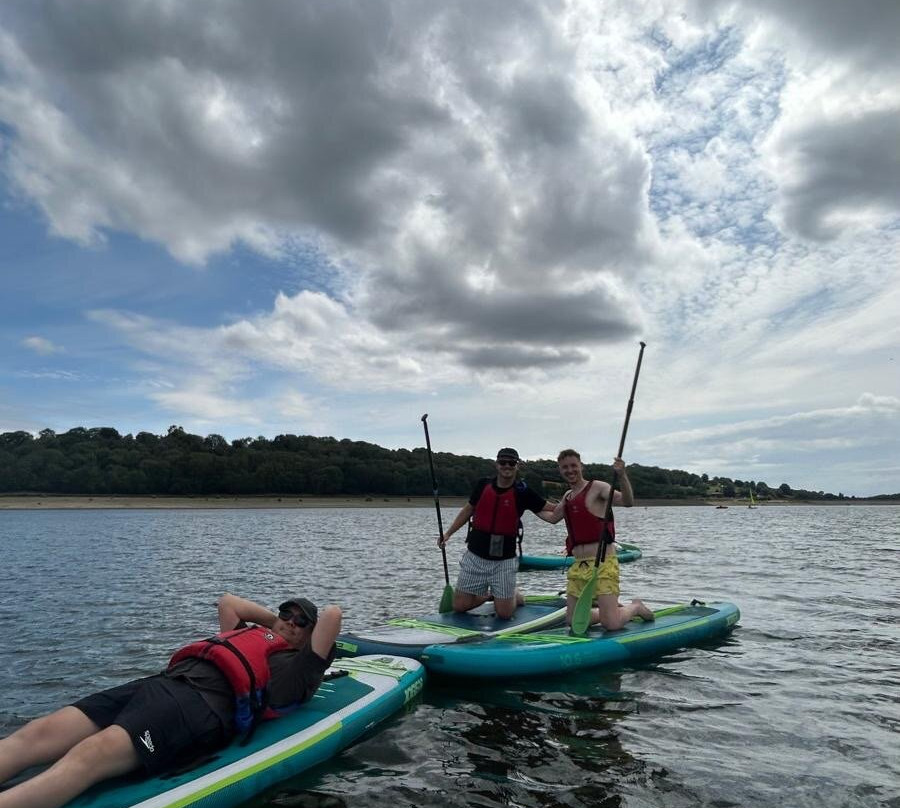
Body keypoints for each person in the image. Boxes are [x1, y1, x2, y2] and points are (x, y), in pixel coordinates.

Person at [0, 593, 341, 808]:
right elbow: (228, 601)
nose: (291, 623)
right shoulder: (254, 634)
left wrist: (289, 634)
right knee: (37, 732)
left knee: (93, 753)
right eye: (287, 614)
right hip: (158, 685)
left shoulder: (301, 668)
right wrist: (271, 627)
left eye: (301, 622)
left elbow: (332, 614)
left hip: (199, 707)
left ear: (311, 637)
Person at [438, 447, 556, 619]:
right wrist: (448, 534)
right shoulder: (483, 485)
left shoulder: (523, 492)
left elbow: (550, 510)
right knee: (459, 606)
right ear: (496, 464)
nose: (507, 466)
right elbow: (467, 510)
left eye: (511, 463)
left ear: (517, 466)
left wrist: (573, 505)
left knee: (504, 614)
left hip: (504, 560)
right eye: (503, 462)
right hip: (475, 556)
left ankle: (514, 595)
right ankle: (490, 595)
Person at [548, 449, 654, 629]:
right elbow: (551, 517)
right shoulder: (567, 496)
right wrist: (525, 503)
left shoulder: (597, 487)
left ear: (581, 466)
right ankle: (607, 612)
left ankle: (635, 606)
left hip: (603, 563)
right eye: (565, 467)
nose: (570, 470)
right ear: (560, 470)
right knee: (573, 622)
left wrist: (622, 475)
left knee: (611, 625)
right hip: (579, 565)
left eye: (574, 465)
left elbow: (627, 501)